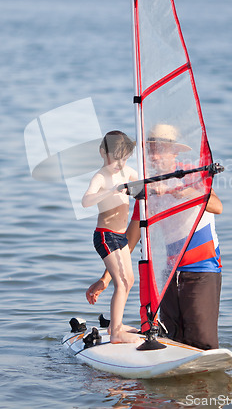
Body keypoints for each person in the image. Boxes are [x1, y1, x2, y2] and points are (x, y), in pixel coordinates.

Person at [86, 124, 224, 350]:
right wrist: (106, 279)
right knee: (173, 343)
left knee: (203, 344)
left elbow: (217, 206)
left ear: (175, 152)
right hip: (168, 275)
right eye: (151, 150)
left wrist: (180, 190)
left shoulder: (190, 173)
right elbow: (130, 238)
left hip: (202, 268)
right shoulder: (148, 186)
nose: (155, 155)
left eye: (160, 149)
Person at [81, 130, 141, 344]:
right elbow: (86, 201)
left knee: (129, 280)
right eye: (116, 158)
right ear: (102, 153)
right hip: (105, 236)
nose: (120, 163)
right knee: (122, 281)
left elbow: (143, 183)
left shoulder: (127, 172)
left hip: (120, 236)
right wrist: (111, 191)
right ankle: (115, 332)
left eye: (124, 159)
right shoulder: (101, 177)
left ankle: (118, 323)